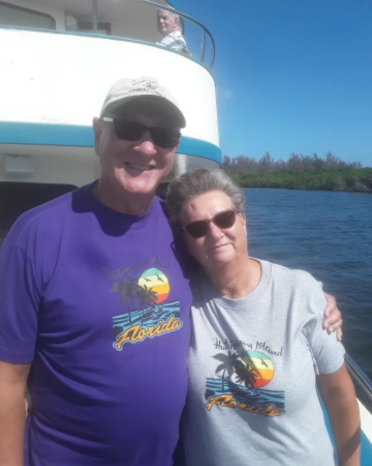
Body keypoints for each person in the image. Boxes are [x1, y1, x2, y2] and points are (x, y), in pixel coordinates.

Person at [0, 77, 341, 466]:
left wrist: (315, 297)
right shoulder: (36, 234)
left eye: (162, 135)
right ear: (99, 133)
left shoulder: (182, 229)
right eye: (128, 128)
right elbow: (7, 379)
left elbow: (237, 278)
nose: (146, 147)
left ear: (173, 149)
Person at [166, 169, 360, 466]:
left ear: (242, 221)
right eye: (197, 228)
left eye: (224, 219)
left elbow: (338, 392)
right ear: (187, 242)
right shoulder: (182, 300)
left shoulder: (300, 292)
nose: (215, 233)